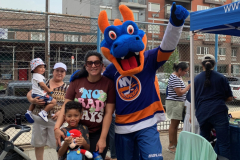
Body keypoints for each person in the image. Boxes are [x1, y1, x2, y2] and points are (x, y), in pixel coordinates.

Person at [54, 51, 115, 160]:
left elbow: (108, 113)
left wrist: (103, 138)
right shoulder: (76, 82)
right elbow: (66, 106)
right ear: (85, 66)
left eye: (96, 63)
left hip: (97, 132)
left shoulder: (108, 83)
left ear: (102, 65)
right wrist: (56, 128)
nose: (93, 65)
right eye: (90, 63)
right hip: (77, 130)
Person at [27, 62, 69, 160]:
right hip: (38, 119)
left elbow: (68, 103)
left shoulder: (67, 88)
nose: (59, 73)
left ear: (65, 73)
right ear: (53, 71)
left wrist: (61, 113)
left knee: (59, 145)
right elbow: (30, 93)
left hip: (55, 123)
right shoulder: (43, 82)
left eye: (62, 71)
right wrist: (32, 100)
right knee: (38, 144)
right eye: (57, 70)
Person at [194, 54, 233, 159]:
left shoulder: (196, 79)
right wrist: (219, 100)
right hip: (218, 112)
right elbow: (230, 97)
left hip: (202, 113)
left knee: (204, 142)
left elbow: (193, 98)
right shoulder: (221, 78)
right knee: (223, 143)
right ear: (214, 64)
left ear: (202, 64)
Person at [165, 62, 190, 153]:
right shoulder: (175, 77)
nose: (186, 73)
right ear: (180, 70)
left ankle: (175, 144)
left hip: (177, 103)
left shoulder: (178, 77)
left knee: (176, 125)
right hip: (175, 103)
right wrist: (188, 87)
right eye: (185, 71)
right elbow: (179, 93)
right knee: (174, 125)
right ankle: (171, 145)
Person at [25, 58, 57, 122]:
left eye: (43, 67)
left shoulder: (36, 76)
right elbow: (42, 85)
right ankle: (44, 112)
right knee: (53, 102)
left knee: (34, 103)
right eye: (40, 67)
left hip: (36, 94)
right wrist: (49, 90)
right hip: (40, 95)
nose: (43, 69)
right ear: (34, 69)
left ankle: (29, 111)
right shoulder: (38, 76)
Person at [102, 59, 117, 160]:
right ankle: (113, 156)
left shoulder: (104, 77)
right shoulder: (110, 77)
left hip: (106, 111)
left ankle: (109, 155)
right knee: (112, 136)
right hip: (109, 111)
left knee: (108, 135)